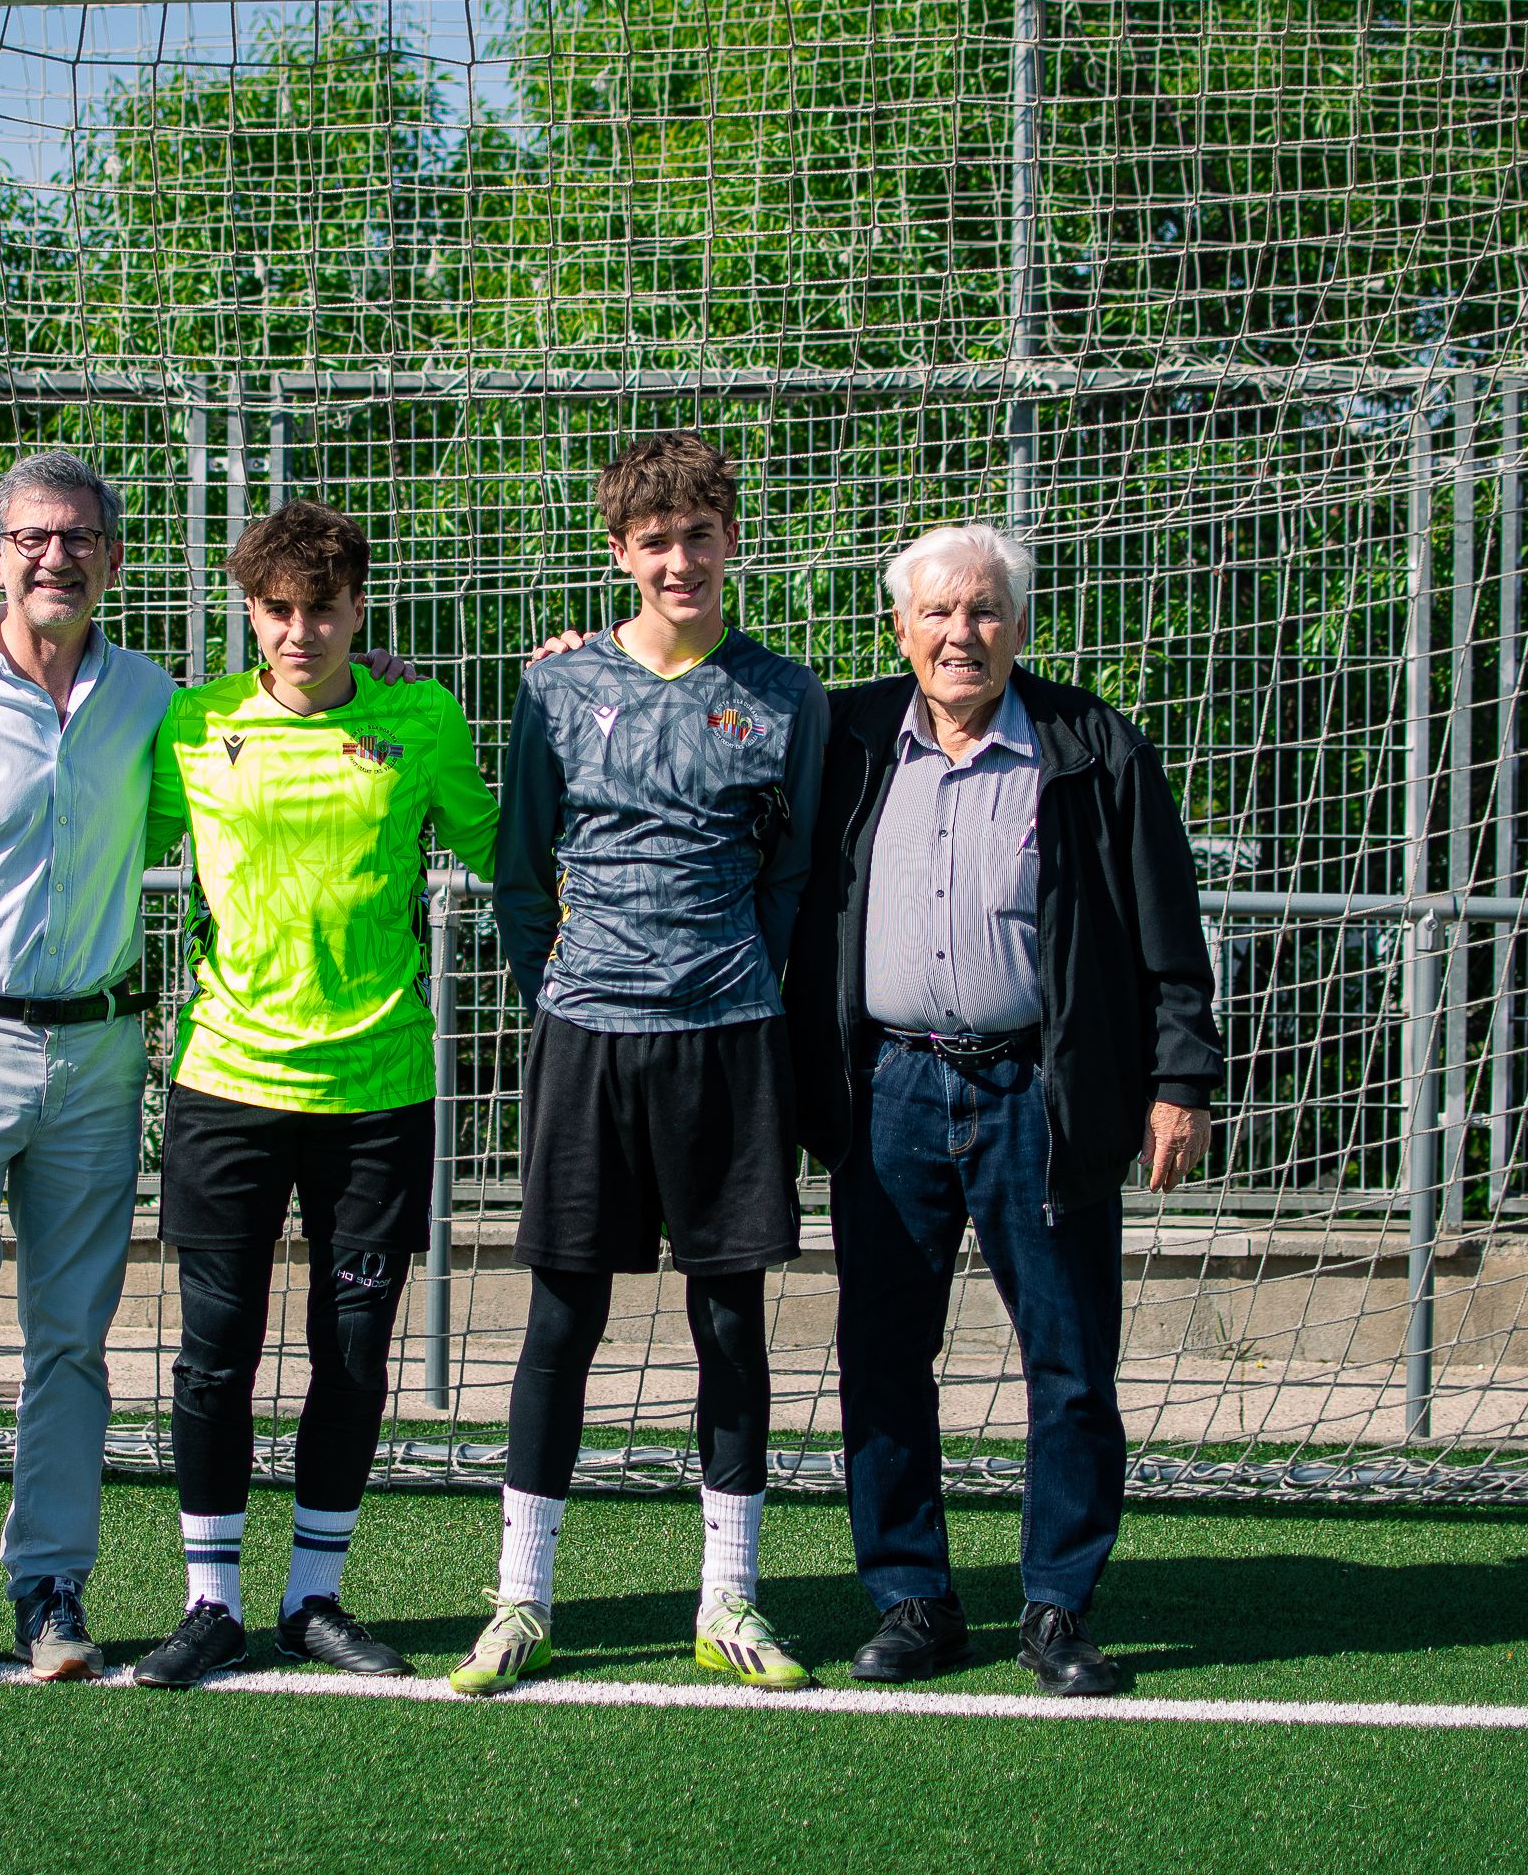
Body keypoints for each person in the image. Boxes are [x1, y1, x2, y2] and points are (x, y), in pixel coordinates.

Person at [0, 450, 422, 1697]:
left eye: (80, 538)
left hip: (97, 1053)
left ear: (113, 560)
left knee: (72, 1344)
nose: (56, 557)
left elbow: (286, 724)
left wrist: (374, 688)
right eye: (34, 537)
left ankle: (52, 1584)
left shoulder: (156, 702)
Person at [783, 521, 1221, 1697]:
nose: (960, 634)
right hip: (889, 1089)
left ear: (1020, 627)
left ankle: (1058, 1605)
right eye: (936, 613)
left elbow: (1168, 935)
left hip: (1044, 1088)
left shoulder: (1092, 746)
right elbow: (715, 720)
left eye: (983, 611)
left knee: (1070, 1361)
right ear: (900, 629)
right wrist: (582, 663)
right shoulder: (847, 735)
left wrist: (1178, 1079)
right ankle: (911, 1597)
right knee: (881, 1354)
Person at [450, 431, 829, 1699]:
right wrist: (553, 988)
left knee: (730, 1317)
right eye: (654, 540)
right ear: (620, 551)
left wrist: (744, 979)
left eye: (701, 533)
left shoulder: (786, 692)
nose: (680, 559)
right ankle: (523, 1599)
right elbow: (519, 864)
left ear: (733, 539)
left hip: (728, 1036)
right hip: (587, 1036)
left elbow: (792, 872)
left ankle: (731, 1599)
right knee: (564, 1313)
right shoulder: (556, 690)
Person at [126, 498, 499, 1689]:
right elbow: (86, 821)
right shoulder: (193, 725)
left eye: (323, 610)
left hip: (380, 1085)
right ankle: (212, 1599)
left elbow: (504, 845)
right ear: (250, 611)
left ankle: (314, 1596)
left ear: (357, 610)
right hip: (227, 1081)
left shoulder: (419, 715)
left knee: (352, 1347)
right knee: (217, 1348)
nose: (300, 633)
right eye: (278, 611)